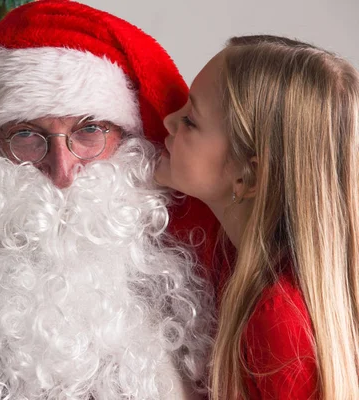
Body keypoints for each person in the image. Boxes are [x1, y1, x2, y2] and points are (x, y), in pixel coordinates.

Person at [0, 1, 218, 399]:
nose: (62, 169)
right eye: (27, 136)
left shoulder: (195, 280)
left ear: (128, 139)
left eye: (89, 130)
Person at [154, 34, 359, 399]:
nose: (169, 120)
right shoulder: (228, 258)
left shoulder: (279, 319)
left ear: (246, 176)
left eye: (190, 121)